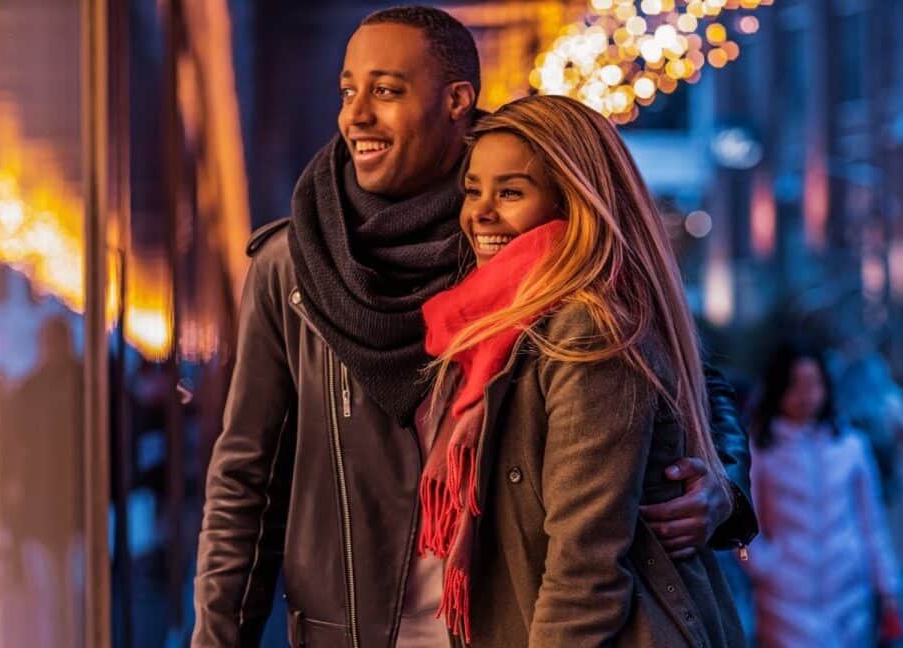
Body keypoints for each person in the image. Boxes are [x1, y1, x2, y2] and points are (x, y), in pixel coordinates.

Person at [192, 7, 757, 647]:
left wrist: (722, 483)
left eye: (386, 90)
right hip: (346, 632)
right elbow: (245, 482)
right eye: (348, 91)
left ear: (457, 98)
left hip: (508, 621)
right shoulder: (291, 265)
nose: (355, 115)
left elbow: (683, 377)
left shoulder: (523, 234)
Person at [411, 94, 745, 646]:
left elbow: (584, 568)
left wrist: (728, 485)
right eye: (474, 190)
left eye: (511, 192)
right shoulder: (492, 320)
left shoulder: (585, 331)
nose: (481, 212)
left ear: (572, 201)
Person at [742, 341, 902, 647]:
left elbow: (872, 524)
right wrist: (758, 563)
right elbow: (744, 527)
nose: (806, 395)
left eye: (813, 384)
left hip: (849, 597)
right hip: (783, 600)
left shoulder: (851, 445)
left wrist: (888, 588)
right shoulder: (760, 449)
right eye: (796, 385)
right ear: (779, 387)